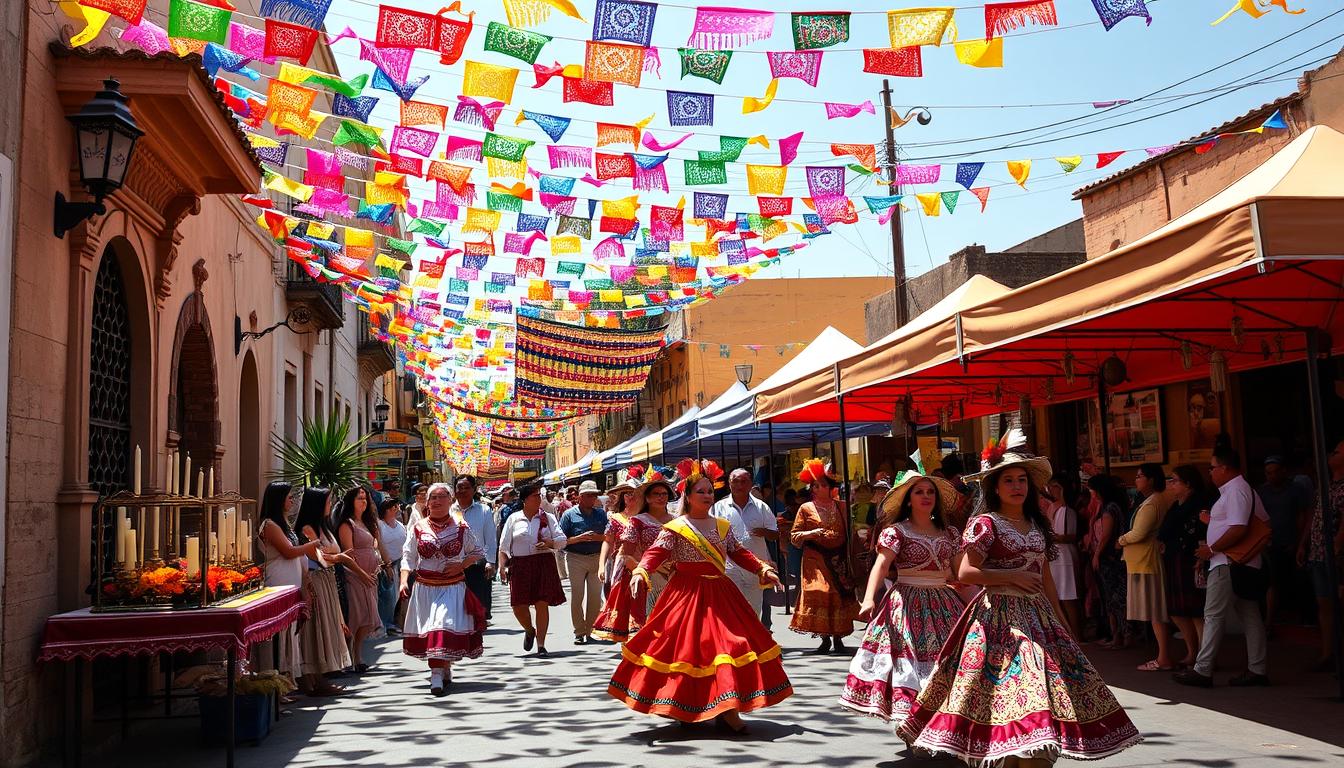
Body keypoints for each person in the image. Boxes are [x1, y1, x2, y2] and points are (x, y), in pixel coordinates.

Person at [897, 432, 1142, 765]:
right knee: (1012, 694)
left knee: (1047, 694)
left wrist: (1064, 622)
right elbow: (967, 572)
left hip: (1038, 618)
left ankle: (1030, 756)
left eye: (1022, 480)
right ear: (995, 487)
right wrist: (1010, 576)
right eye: (1009, 480)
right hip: (998, 618)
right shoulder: (985, 524)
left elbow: (1045, 578)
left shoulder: (1035, 525)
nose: (1017, 486)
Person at [608, 459, 789, 732]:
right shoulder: (676, 528)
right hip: (685, 595)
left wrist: (763, 568)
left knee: (730, 646)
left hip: (721, 592)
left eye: (709, 491)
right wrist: (640, 572)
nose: (707, 495)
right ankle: (684, 705)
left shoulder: (722, 526)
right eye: (701, 491)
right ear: (688, 497)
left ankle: (727, 709)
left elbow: (739, 553)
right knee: (688, 651)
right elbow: (654, 554)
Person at [840, 472, 965, 731]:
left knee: (946, 662)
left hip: (944, 603)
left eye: (930, 492)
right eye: (919, 492)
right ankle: (913, 720)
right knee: (909, 662)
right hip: (906, 602)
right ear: (908, 499)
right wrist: (868, 599)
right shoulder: (896, 532)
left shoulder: (949, 532)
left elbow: (959, 572)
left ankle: (938, 723)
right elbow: (881, 565)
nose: (926, 496)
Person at [1174, 448, 1271, 688]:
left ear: (1225, 468)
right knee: (1249, 615)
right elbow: (1260, 522)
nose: (1210, 472)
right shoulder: (1239, 489)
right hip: (1237, 562)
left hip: (1228, 562)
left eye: (1212, 467)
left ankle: (1203, 669)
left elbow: (1239, 528)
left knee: (1214, 615)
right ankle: (1257, 669)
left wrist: (1212, 549)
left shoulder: (1236, 490)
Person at [399, 482, 486, 696]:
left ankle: (436, 673)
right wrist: (403, 581)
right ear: (426, 503)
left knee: (442, 624)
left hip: (452, 587)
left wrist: (461, 564)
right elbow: (408, 557)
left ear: (450, 500)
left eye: (441, 496)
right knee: (431, 629)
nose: (437, 501)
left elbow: (477, 551)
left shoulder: (460, 526)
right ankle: (443, 667)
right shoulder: (418, 528)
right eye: (433, 498)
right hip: (425, 588)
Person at [594, 472, 677, 643]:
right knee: (648, 627)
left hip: (673, 578)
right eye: (656, 494)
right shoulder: (638, 521)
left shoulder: (677, 521)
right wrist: (646, 569)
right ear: (647, 498)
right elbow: (625, 554)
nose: (661, 497)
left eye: (664, 494)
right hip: (644, 579)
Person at [256, 482, 321, 692]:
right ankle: (276, 685)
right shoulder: (269, 525)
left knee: (289, 633)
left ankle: (285, 683)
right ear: (278, 499)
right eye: (289, 497)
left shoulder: (282, 523)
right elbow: (289, 551)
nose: (292, 501)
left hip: (291, 582)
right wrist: (310, 546)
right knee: (278, 636)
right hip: (278, 581)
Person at [790, 459, 859, 654]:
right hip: (816, 558)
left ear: (831, 488)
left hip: (839, 558)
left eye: (823, 485)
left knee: (838, 595)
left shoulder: (842, 507)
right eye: (815, 485)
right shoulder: (805, 509)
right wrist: (812, 534)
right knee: (822, 592)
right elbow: (795, 536)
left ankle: (838, 638)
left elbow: (850, 532)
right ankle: (824, 638)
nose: (818, 488)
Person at [294, 488, 353, 696]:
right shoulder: (307, 528)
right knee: (317, 626)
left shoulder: (324, 527)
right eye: (328, 501)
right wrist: (337, 556)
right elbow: (319, 556)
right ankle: (314, 678)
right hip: (315, 580)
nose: (330, 505)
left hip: (328, 580)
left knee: (328, 625)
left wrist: (333, 555)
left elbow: (332, 552)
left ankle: (316, 678)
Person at [499, 482, 567, 658]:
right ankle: (529, 630)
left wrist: (549, 543)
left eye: (540, 496)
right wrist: (502, 566)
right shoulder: (514, 519)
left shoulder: (548, 517)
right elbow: (504, 546)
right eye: (535, 496)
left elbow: (561, 540)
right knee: (518, 605)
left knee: (541, 603)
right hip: (520, 564)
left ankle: (541, 644)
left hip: (543, 562)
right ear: (525, 500)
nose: (539, 499)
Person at [1119, 463, 1174, 671]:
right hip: (1142, 559)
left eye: (1140, 476)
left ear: (1150, 479)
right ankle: (1163, 656)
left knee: (1155, 612)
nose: (1136, 480)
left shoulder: (1153, 502)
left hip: (1146, 560)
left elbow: (1139, 533)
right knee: (1154, 612)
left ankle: (1163, 658)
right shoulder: (1151, 500)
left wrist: (1121, 540)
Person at [713, 468, 780, 629]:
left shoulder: (761, 507)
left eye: (743, 481)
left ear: (750, 484)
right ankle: (736, 645)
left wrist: (764, 532)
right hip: (729, 567)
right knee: (731, 607)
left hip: (756, 567)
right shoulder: (719, 508)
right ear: (729, 484)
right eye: (735, 481)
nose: (739, 485)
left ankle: (751, 643)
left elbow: (775, 534)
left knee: (754, 608)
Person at [1298, 439, 1344, 672]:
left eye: (1336, 452)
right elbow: (1312, 516)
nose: (1330, 456)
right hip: (1317, 551)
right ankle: (1328, 653)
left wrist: (1338, 542)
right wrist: (1303, 542)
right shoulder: (1323, 486)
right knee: (1323, 602)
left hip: (1337, 554)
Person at [1159, 465, 1210, 668]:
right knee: (1177, 611)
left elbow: (1203, 533)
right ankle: (1192, 651)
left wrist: (1203, 557)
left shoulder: (1199, 504)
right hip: (1175, 558)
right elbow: (1165, 531)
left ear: (1188, 484)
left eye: (1175, 480)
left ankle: (1204, 657)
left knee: (1196, 611)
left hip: (1193, 559)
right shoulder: (1176, 505)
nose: (1171, 484)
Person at [333, 485, 383, 673]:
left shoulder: (368, 523)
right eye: (359, 498)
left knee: (368, 618)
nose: (363, 501)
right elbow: (348, 554)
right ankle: (350, 657)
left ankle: (357, 654)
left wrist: (378, 565)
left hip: (370, 577)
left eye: (365, 498)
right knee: (356, 615)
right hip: (354, 576)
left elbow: (376, 547)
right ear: (350, 501)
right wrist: (362, 573)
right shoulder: (347, 524)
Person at [1259, 455, 1311, 627]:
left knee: (1299, 580)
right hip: (1270, 543)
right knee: (1272, 581)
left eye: (1275, 472)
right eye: (1268, 473)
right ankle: (1271, 620)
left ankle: (1304, 616)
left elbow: (1303, 515)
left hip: (1293, 541)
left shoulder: (1296, 489)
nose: (1272, 476)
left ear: (1283, 471)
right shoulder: (1263, 492)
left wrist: (1299, 541)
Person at [559, 480, 609, 645]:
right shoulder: (569, 515)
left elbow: (610, 537)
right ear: (579, 497)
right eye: (588, 495)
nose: (592, 498)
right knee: (577, 596)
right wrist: (578, 539)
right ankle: (579, 631)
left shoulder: (601, 514)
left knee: (595, 597)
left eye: (594, 495)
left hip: (596, 558)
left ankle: (590, 630)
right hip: (575, 559)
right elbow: (561, 541)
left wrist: (598, 537)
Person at [1087, 474, 1130, 649]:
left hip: (1109, 557)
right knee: (1113, 598)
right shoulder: (1111, 506)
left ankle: (1119, 635)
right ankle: (1118, 634)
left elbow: (1106, 535)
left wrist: (1096, 555)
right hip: (1113, 556)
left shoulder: (1109, 509)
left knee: (1112, 598)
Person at [449, 475, 498, 623]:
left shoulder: (484, 510)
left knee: (479, 603)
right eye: (459, 487)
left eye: (466, 487)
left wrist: (490, 561)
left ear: (474, 489)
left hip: (477, 564)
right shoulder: (448, 511)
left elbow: (490, 538)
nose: (462, 491)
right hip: (454, 565)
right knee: (457, 605)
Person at [1044, 472, 1082, 639]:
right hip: (1055, 555)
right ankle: (1066, 633)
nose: (1051, 490)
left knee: (1068, 595)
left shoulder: (1067, 510)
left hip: (1064, 555)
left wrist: (1050, 537)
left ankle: (1077, 634)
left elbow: (1069, 536)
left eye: (1054, 487)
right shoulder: (1053, 506)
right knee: (1058, 595)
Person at [377, 498, 408, 636]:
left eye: (396, 507)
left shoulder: (400, 525)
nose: (395, 509)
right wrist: (386, 564)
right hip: (385, 565)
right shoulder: (379, 525)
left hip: (399, 563)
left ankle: (392, 622)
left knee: (395, 596)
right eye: (391, 508)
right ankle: (385, 624)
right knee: (387, 596)